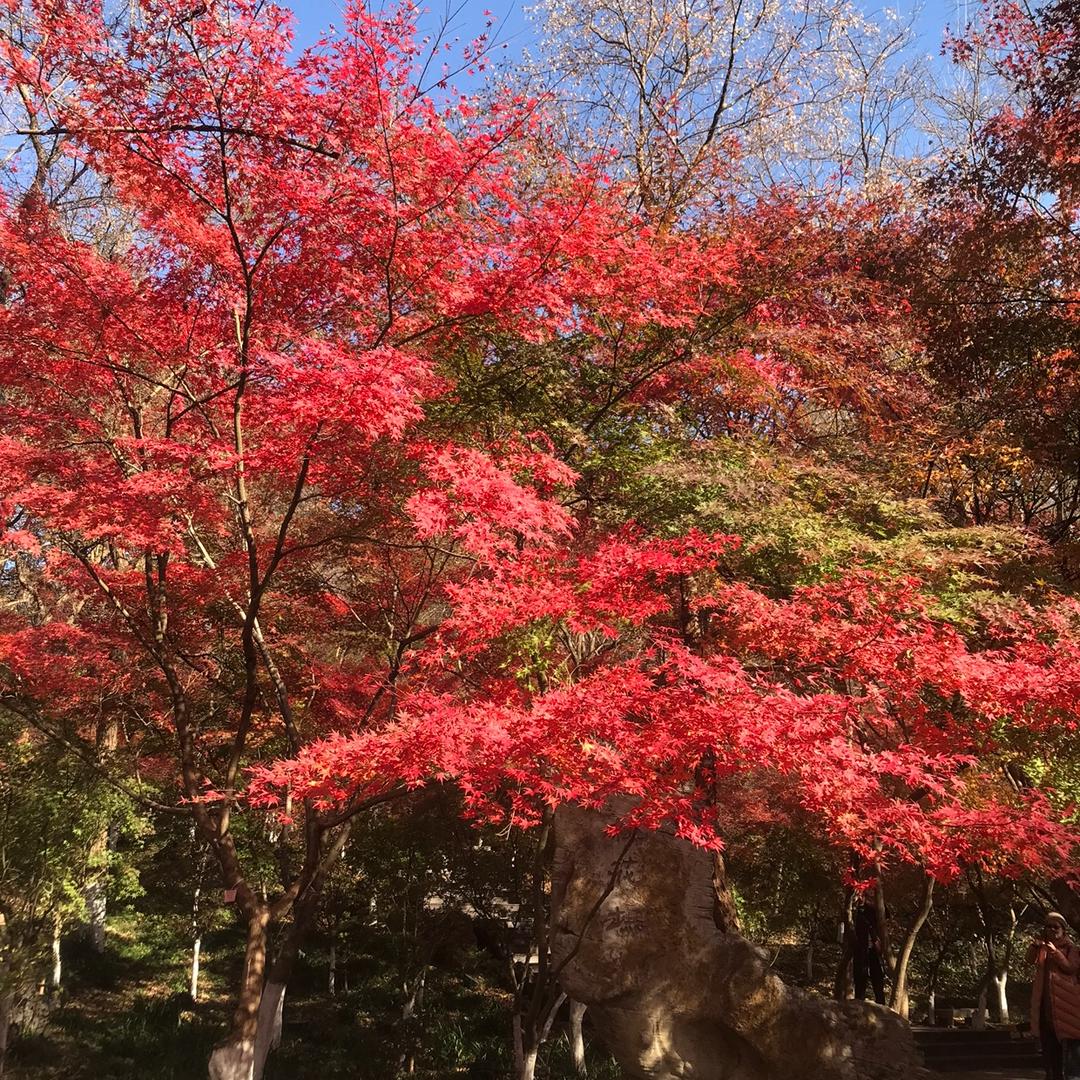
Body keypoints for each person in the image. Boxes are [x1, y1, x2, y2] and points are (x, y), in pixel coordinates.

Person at [1029, 912, 1080, 1080]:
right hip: (1046, 1006)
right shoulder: (1042, 948)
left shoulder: (1071, 948)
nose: (1052, 929)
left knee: (1071, 1052)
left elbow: (1071, 967)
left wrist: (1056, 953)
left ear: (1063, 929)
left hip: (1067, 1006)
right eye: (1048, 926)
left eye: (1056, 926)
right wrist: (1034, 946)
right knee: (1050, 1051)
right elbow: (1028, 960)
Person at [852, 901, 887, 1005]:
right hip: (860, 948)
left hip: (873, 948)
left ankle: (881, 1003)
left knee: (877, 976)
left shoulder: (874, 908)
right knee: (860, 976)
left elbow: (885, 915)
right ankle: (859, 1001)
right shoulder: (855, 910)